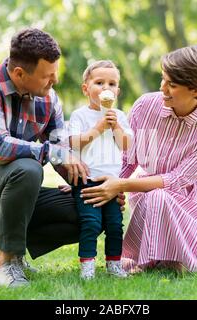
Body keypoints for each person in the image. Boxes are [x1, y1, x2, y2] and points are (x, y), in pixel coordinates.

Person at [0, 28, 125, 288]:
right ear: (20, 74)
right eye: (47, 77)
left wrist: (100, 187)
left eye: (55, 74)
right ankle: (7, 263)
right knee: (27, 168)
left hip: (16, 195)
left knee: (91, 208)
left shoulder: (49, 99)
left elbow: (63, 151)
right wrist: (54, 152)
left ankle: (2, 241)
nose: (53, 82)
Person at [80, 45, 197, 277]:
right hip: (148, 198)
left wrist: (121, 186)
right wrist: (93, 183)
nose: (162, 88)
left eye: (172, 85)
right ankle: (162, 257)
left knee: (159, 195)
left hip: (193, 203)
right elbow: (126, 159)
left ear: (196, 90)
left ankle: (169, 257)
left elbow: (177, 179)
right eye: (163, 79)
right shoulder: (145, 106)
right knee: (155, 197)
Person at [68, 60, 133, 279]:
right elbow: (75, 143)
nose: (106, 88)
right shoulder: (80, 115)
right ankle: (87, 266)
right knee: (91, 223)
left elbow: (125, 145)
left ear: (118, 91)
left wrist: (115, 126)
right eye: (99, 82)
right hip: (87, 180)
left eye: (112, 84)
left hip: (111, 181)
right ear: (86, 89)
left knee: (115, 224)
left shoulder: (120, 116)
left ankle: (114, 264)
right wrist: (98, 128)